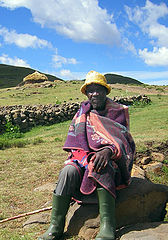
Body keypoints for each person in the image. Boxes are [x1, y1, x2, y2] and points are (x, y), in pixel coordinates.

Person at [38, 71, 136, 240]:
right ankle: (56, 226)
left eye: (98, 89)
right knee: (67, 171)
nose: (94, 94)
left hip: (111, 160)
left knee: (100, 166)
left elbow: (124, 140)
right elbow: (75, 143)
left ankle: (107, 226)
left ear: (106, 91)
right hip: (82, 158)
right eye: (90, 90)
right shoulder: (82, 114)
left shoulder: (117, 112)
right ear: (86, 93)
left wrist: (108, 151)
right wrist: (83, 158)